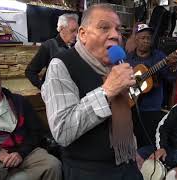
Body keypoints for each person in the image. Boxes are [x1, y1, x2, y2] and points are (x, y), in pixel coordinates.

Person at [41, 4, 142, 180]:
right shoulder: (61, 65)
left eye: (118, 29)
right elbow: (62, 131)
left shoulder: (116, 65)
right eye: (104, 28)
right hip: (88, 171)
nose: (115, 35)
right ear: (82, 34)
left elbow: (123, 116)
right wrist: (107, 91)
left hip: (126, 163)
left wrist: (132, 152)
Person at [0, 64, 62, 180]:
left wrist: (21, 153)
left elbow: (36, 131)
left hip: (25, 150)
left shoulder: (19, 101)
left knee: (52, 164)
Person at [126, 23, 177, 148]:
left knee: (148, 142)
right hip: (130, 105)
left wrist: (173, 66)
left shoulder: (159, 57)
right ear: (136, 39)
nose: (146, 41)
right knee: (131, 140)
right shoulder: (129, 58)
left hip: (151, 108)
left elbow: (172, 77)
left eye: (149, 38)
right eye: (143, 37)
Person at [25, 13, 79, 89]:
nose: (76, 34)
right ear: (61, 29)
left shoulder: (77, 46)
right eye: (73, 31)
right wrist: (44, 88)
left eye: (77, 31)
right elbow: (30, 72)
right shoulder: (49, 46)